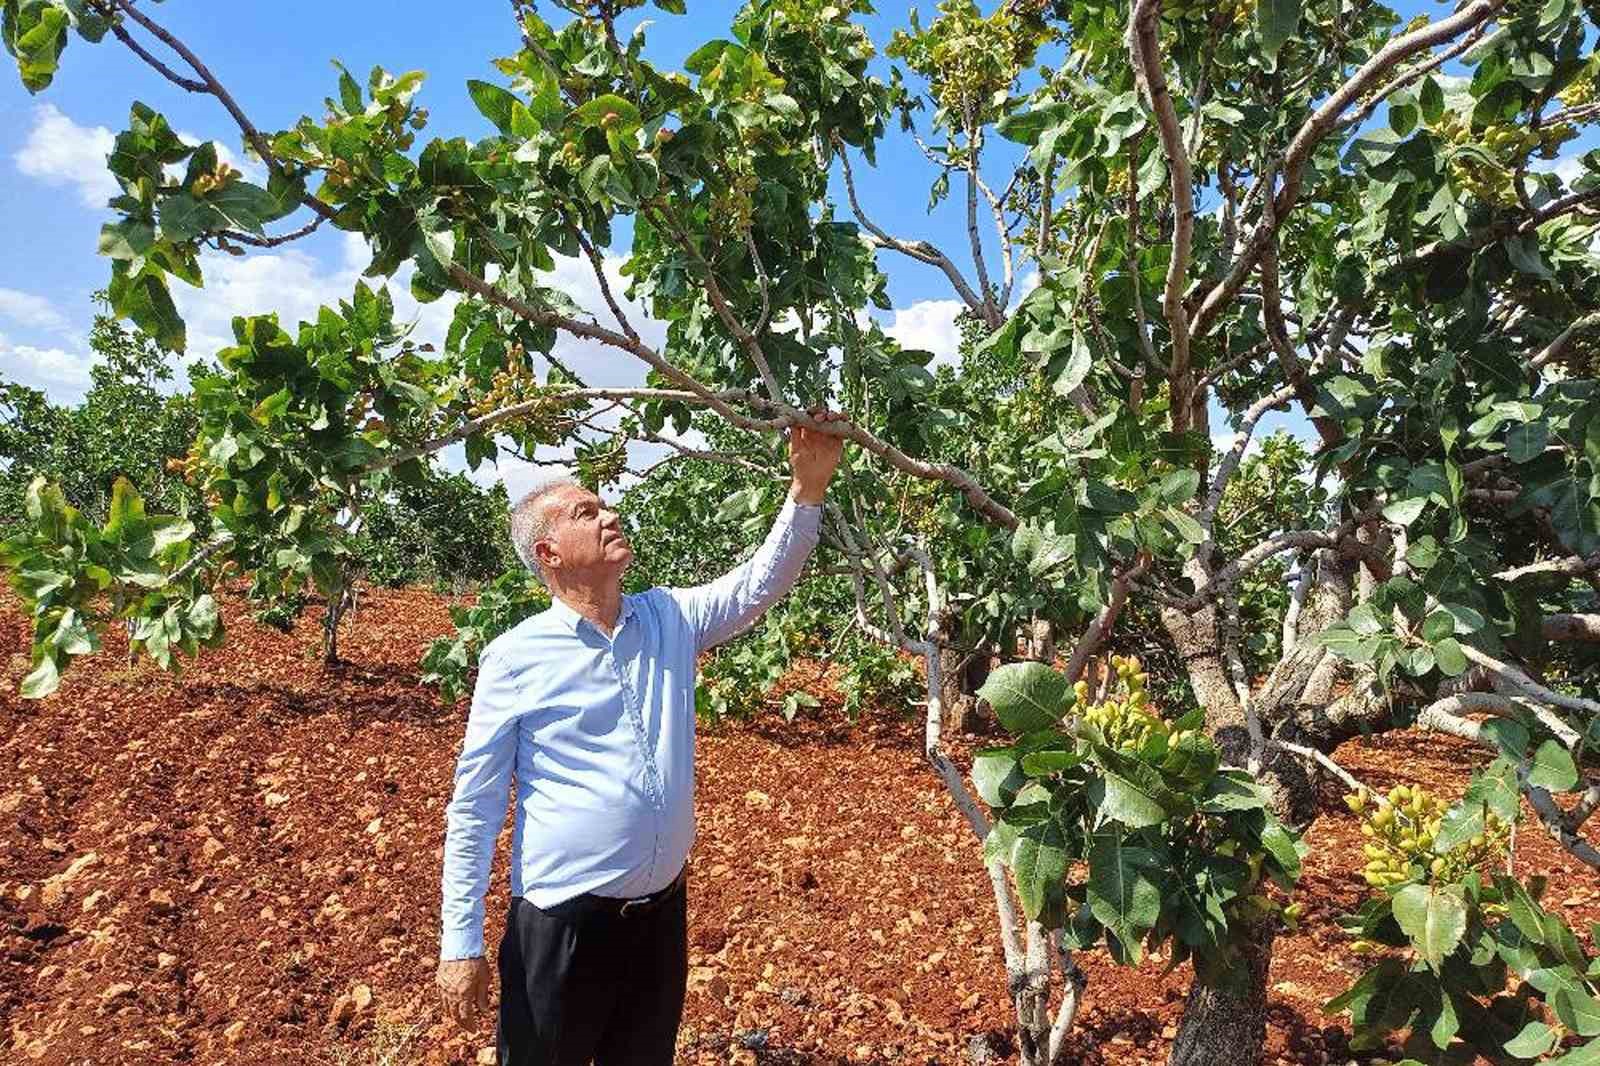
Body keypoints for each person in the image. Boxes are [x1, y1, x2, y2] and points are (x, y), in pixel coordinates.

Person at [435, 411, 847, 1065]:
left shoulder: (669, 617)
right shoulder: (516, 657)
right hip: (563, 927)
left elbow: (762, 583)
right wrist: (460, 940)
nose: (608, 515)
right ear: (549, 553)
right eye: (585, 512)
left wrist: (808, 489)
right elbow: (477, 806)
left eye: (604, 504)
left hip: (658, 919)